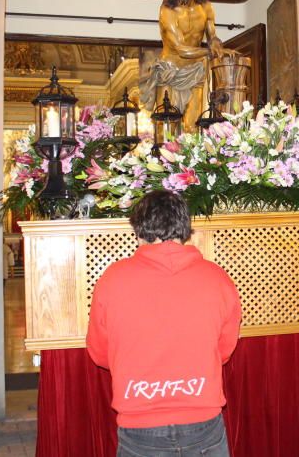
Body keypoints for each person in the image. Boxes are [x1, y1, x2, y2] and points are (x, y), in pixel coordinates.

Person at [86, 190, 242, 457]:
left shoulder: (112, 280)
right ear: (185, 229)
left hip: (139, 421)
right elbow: (224, 350)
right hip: (202, 417)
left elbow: (100, 353)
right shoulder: (218, 278)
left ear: (137, 231)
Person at [138, 0, 238, 131]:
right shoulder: (167, 10)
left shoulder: (206, 7)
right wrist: (209, 52)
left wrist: (217, 45)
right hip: (169, 72)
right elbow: (180, 49)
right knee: (166, 127)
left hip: (195, 71)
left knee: (193, 127)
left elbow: (212, 36)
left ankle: (192, 157)